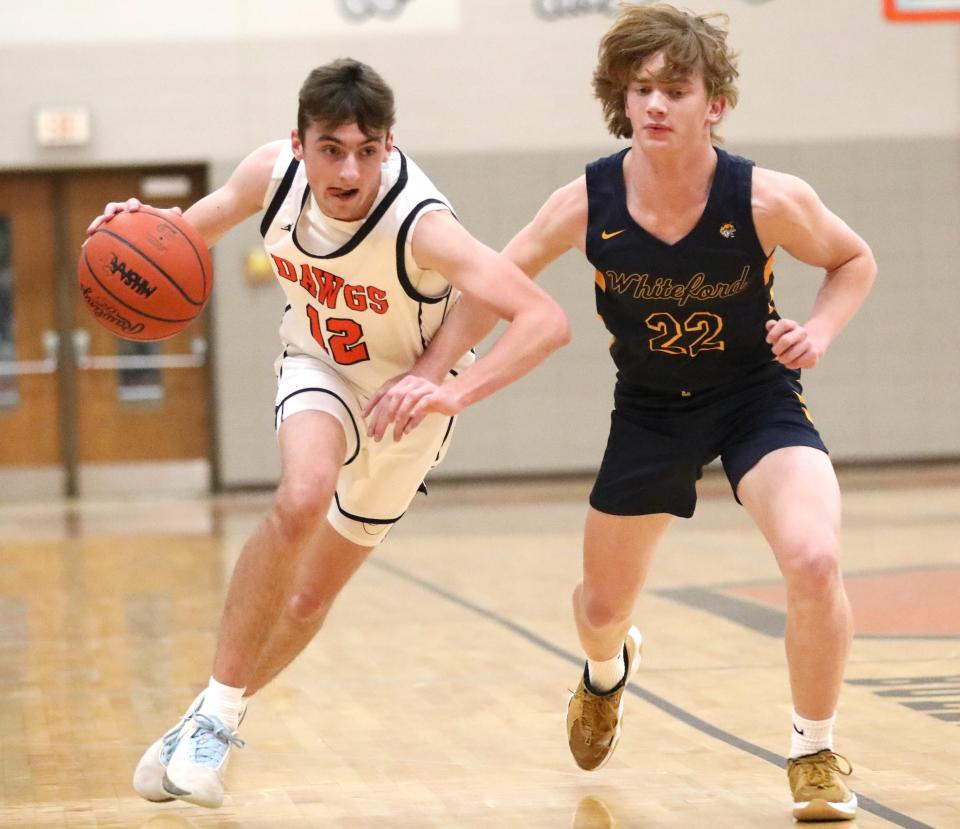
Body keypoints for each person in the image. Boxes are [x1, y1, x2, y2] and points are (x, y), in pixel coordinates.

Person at [372, 4, 876, 822]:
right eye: (642, 88)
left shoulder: (767, 198)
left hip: (754, 397)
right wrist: (434, 374)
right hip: (649, 408)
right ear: (622, 98)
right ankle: (607, 671)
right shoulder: (584, 201)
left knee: (815, 558)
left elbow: (854, 259)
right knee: (601, 611)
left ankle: (813, 749)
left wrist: (817, 329)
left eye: (676, 89)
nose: (655, 105)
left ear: (714, 103)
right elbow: (492, 288)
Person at [87, 58, 570, 809]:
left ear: (388, 145)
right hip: (319, 363)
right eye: (332, 148)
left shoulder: (423, 224)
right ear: (299, 142)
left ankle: (209, 713)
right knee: (302, 495)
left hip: (406, 403)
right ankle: (217, 713)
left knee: (310, 601)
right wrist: (130, 230)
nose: (350, 168)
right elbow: (182, 237)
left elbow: (546, 318)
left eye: (368, 149)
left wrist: (448, 391)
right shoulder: (267, 176)